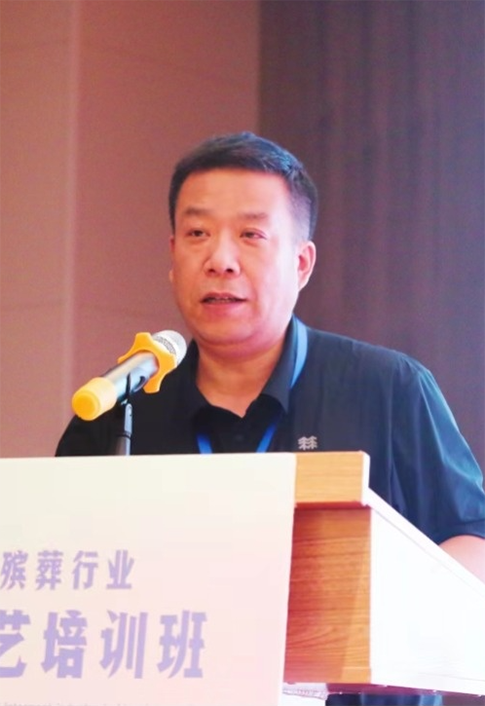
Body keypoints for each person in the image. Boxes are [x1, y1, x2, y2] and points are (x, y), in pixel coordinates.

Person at [57, 132, 485, 705]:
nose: (220, 260)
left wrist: (368, 613)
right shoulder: (122, 410)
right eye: (198, 234)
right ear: (173, 256)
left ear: (301, 263)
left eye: (251, 235)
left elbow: (474, 538)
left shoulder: (389, 388)